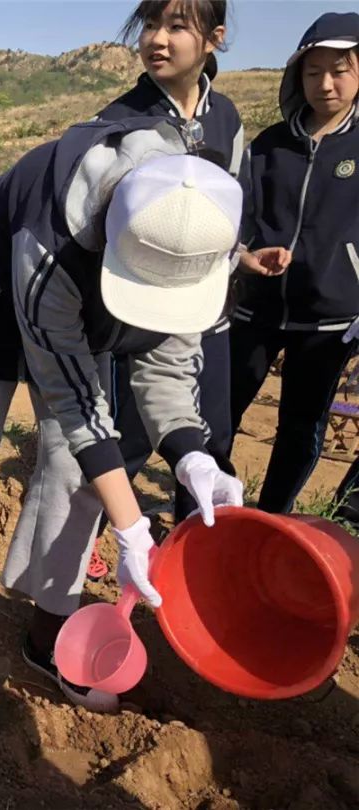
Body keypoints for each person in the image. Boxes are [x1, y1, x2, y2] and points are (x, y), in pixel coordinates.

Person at [0, 116, 245, 711]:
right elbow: (75, 403)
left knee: (76, 474)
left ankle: (50, 633)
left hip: (88, 306)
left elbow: (167, 365)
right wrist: (132, 528)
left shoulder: (198, 230)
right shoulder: (53, 243)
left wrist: (193, 453)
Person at [96, 0, 244, 524]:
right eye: (151, 24)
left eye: (176, 26)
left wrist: (242, 255)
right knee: (128, 438)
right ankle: (94, 538)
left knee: (210, 437)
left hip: (210, 308)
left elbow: (229, 207)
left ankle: (194, 542)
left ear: (213, 38)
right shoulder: (121, 126)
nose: (157, 38)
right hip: (142, 309)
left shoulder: (226, 118)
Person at [229, 11, 359, 513]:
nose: (325, 84)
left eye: (340, 70)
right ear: (296, 76)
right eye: (312, 71)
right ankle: (202, 515)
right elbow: (237, 222)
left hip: (329, 319)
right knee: (218, 414)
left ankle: (270, 521)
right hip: (255, 308)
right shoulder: (269, 146)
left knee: (301, 426)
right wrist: (245, 257)